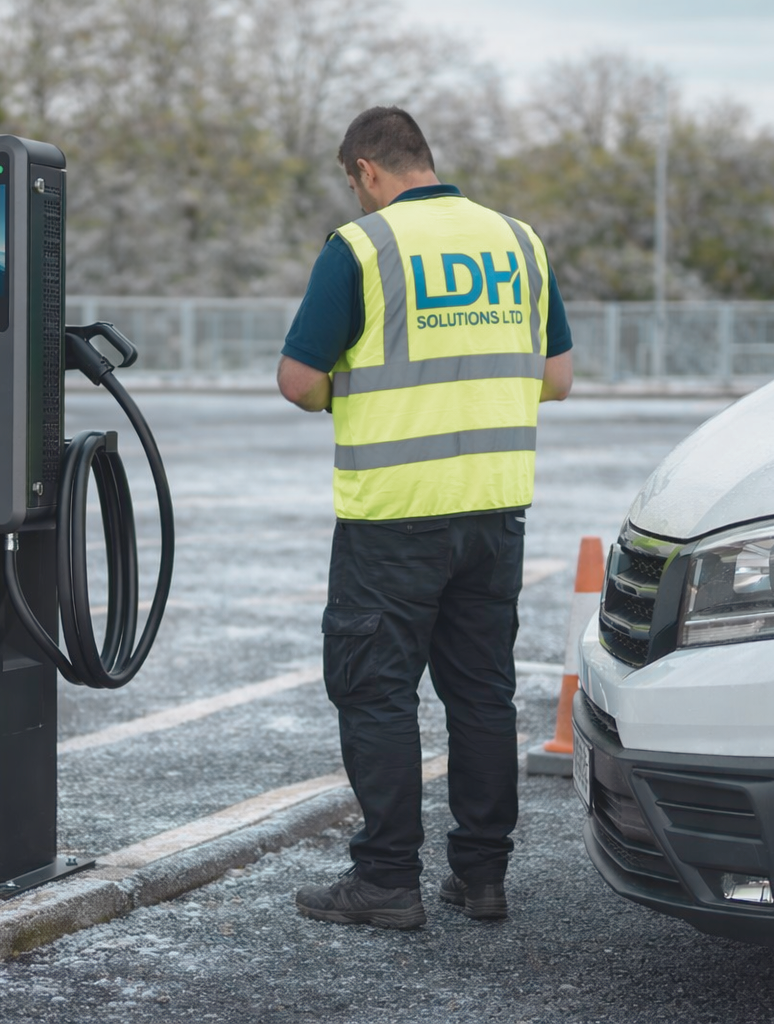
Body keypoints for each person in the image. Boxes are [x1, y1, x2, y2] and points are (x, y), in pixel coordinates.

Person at [277, 106, 573, 930]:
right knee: (481, 694)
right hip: (494, 508)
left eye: (352, 184)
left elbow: (300, 381)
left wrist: (353, 394)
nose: (356, 198)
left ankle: (387, 881)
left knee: (377, 694)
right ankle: (482, 878)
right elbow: (559, 377)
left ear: (367, 170)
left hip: (395, 514)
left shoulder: (362, 248)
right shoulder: (520, 242)